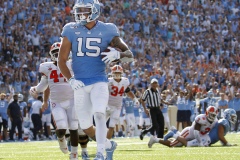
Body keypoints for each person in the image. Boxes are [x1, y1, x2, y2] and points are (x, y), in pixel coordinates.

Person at [58, 0, 134, 159]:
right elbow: (61, 60)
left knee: (99, 113)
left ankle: (100, 153)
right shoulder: (70, 29)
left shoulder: (108, 29)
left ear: (95, 11)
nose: (81, 13)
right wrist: (71, 79)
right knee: (85, 125)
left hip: (99, 80)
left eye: (85, 10)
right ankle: (108, 144)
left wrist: (118, 54)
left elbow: (129, 55)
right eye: (79, 10)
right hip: (79, 83)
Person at [29, 42, 84, 160]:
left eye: (60, 52)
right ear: (51, 54)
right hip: (56, 102)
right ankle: (60, 138)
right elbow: (44, 85)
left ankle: (74, 153)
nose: (58, 54)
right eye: (55, 52)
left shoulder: (73, 64)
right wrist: (36, 89)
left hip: (72, 100)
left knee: (74, 126)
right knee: (62, 128)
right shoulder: (46, 67)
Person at [148, 106, 218, 148]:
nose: (212, 117)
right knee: (173, 144)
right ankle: (155, 139)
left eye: (214, 115)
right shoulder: (201, 119)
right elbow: (196, 132)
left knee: (182, 144)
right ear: (206, 113)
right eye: (211, 115)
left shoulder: (215, 121)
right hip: (190, 133)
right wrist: (200, 142)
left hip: (198, 135)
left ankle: (174, 131)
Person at [174, 108, 238, 147]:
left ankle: (175, 134)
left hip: (207, 139)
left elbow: (219, 136)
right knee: (187, 144)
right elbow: (220, 136)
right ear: (227, 115)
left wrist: (224, 143)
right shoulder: (224, 122)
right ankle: (174, 133)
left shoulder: (222, 122)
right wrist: (227, 143)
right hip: (206, 139)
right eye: (232, 117)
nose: (233, 118)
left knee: (183, 143)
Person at [106, 65, 139, 139]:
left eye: (118, 73)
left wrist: (135, 99)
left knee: (111, 126)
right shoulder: (108, 81)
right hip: (107, 105)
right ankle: (99, 140)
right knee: (99, 124)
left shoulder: (125, 81)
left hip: (117, 107)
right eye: (116, 73)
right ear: (112, 73)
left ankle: (106, 143)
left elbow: (128, 91)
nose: (117, 74)